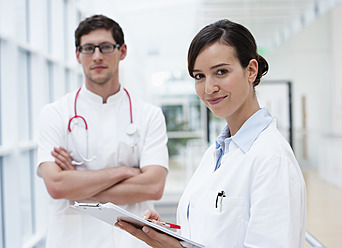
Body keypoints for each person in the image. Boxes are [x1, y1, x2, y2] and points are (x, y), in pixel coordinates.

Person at [115, 19, 306, 248]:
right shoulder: (217, 153)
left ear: (251, 71)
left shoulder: (271, 159)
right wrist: (171, 236)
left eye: (221, 72)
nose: (208, 89)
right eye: (199, 76)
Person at [37, 14, 169, 248]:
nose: (97, 56)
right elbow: (57, 186)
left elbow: (153, 187)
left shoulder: (149, 115)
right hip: (72, 241)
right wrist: (125, 171)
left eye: (106, 47)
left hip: (131, 242)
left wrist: (77, 184)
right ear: (78, 55)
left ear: (123, 51)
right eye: (88, 48)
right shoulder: (55, 113)